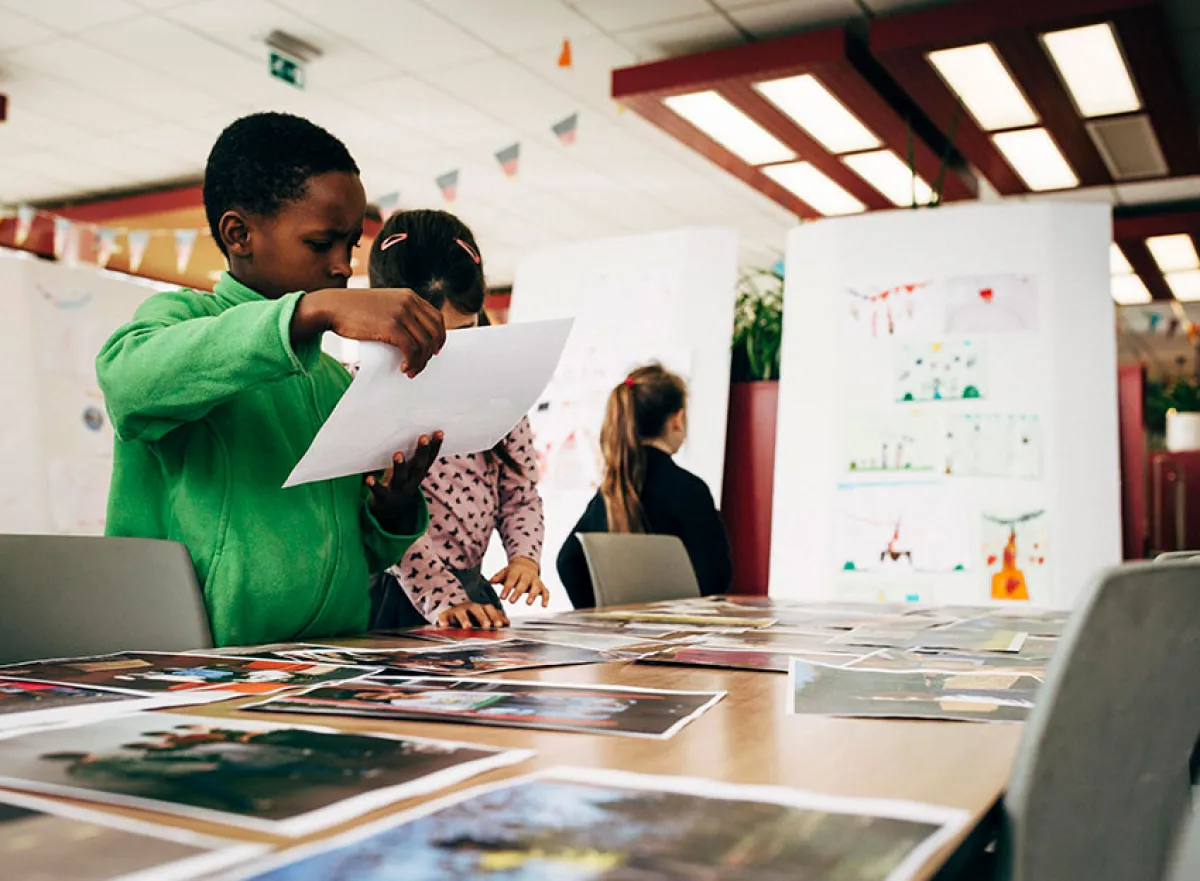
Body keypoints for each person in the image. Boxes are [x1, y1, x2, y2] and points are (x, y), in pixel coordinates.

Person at [97, 112, 447, 648]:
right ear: (239, 234)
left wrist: (390, 508)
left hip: (327, 662)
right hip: (193, 667)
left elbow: (359, 557)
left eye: (351, 244)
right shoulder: (182, 320)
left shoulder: (334, 380)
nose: (343, 267)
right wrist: (309, 311)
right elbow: (128, 382)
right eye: (321, 243)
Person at [366, 209, 549, 631]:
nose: (446, 353)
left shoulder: (498, 393)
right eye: (427, 337)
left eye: (464, 333)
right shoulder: (366, 397)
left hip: (472, 598)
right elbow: (383, 518)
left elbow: (520, 492)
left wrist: (524, 557)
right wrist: (442, 598)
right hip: (397, 596)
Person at [556, 364, 733, 608]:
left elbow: (568, 562)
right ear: (677, 420)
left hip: (621, 639)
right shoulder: (690, 490)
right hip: (679, 637)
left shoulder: (611, 491)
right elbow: (717, 577)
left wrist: (600, 614)